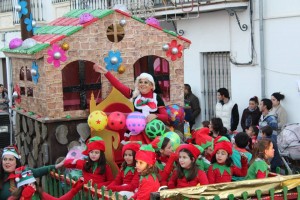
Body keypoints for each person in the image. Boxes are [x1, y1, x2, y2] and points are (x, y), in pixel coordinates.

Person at [93, 64, 168, 144]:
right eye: (140, 82)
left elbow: (166, 117)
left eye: (146, 82)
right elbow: (118, 86)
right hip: (136, 132)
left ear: (151, 86)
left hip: (153, 132)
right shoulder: (135, 95)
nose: (142, 84)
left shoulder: (157, 98)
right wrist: (106, 72)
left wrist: (155, 115)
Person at [0, 146, 64, 200]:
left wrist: (57, 165)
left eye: (10, 159)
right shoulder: (1, 176)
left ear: (16, 162)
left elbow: (38, 171)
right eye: (5, 159)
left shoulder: (22, 172)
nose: (7, 162)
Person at [8, 168, 84, 200]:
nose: (31, 186)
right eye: (27, 184)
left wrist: (75, 189)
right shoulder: (13, 198)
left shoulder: (40, 194)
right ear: (21, 186)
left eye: (33, 183)